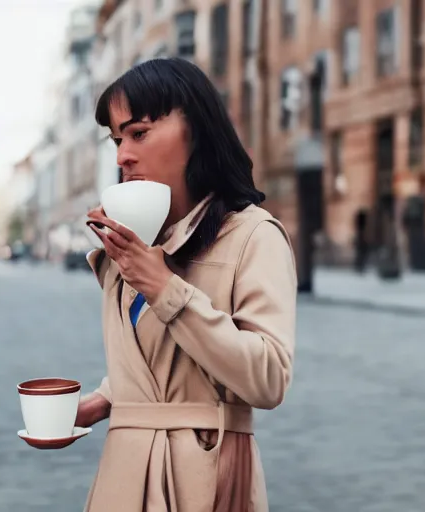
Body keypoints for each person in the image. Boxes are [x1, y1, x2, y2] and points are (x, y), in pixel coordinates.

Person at [77, 58, 297, 511]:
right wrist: (106, 397)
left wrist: (165, 289)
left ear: (195, 129)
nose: (122, 155)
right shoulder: (136, 244)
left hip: (204, 477)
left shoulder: (254, 234)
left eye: (139, 133)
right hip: (122, 477)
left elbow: (269, 378)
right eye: (117, 139)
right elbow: (159, 362)